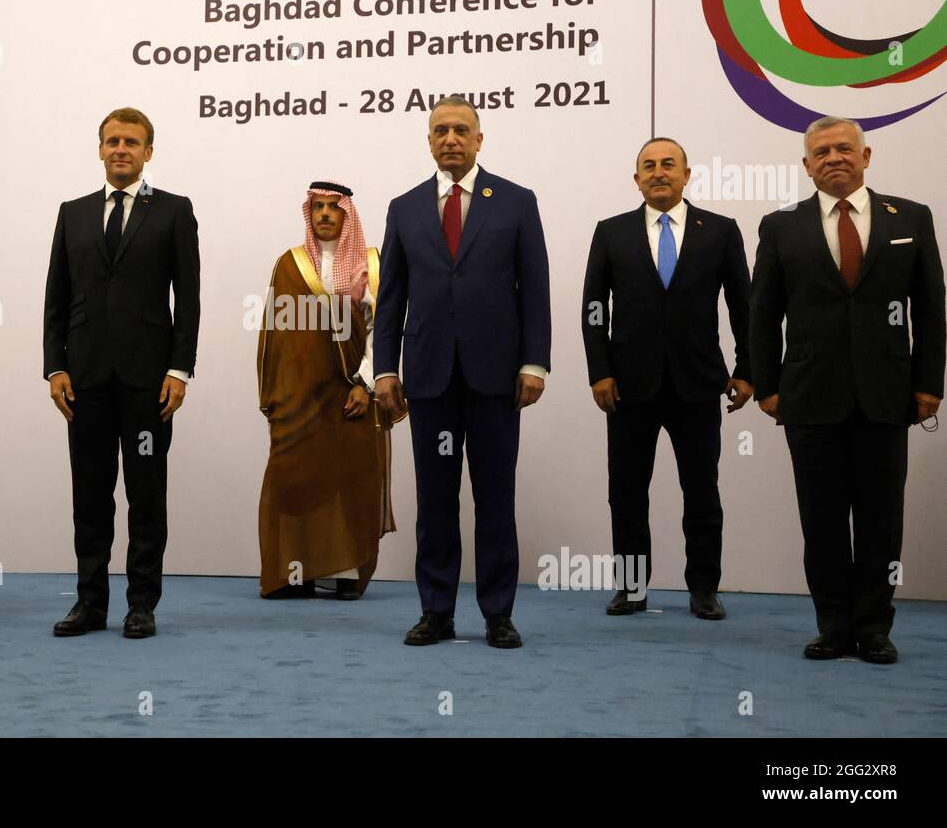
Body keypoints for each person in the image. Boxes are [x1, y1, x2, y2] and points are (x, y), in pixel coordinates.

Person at [750, 116, 944, 664]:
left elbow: (931, 308)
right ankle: (833, 625)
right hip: (808, 397)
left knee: (883, 520)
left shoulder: (910, 218)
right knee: (823, 519)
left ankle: (875, 627)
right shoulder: (780, 226)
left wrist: (929, 383)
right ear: (806, 166)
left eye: (843, 149)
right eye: (821, 152)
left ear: (866, 156)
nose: (833, 158)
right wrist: (767, 386)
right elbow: (762, 314)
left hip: (888, 394)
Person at [374, 95, 551, 648]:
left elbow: (535, 288)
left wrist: (534, 361)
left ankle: (498, 613)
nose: (450, 138)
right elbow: (391, 299)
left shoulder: (517, 202)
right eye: (440, 130)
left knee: (496, 497)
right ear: (429, 141)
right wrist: (384, 371)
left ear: (480, 139)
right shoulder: (404, 208)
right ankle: (437, 612)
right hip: (428, 378)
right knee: (435, 500)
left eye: (461, 130)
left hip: (497, 377)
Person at [44, 107, 200, 639]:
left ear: (149, 152)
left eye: (132, 142)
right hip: (83, 381)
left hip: (148, 382)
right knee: (89, 495)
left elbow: (190, 300)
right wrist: (55, 366)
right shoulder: (73, 213)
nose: (121, 149)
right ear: (100, 148)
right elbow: (56, 299)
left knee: (145, 493)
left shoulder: (175, 212)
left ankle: (141, 604)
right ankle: (89, 604)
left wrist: (180, 370)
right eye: (112, 141)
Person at [581, 138, 753, 620]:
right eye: (649, 166)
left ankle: (703, 589)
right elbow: (595, 310)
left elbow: (744, 307)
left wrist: (747, 369)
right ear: (636, 178)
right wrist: (600, 371)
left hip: (699, 384)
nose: (659, 172)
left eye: (668, 165)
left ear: (686, 174)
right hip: (628, 387)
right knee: (627, 492)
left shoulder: (719, 231)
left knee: (702, 491)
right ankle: (631, 588)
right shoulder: (610, 232)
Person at [256, 181, 397, 600]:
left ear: (347, 214)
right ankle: (294, 575)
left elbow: (381, 331)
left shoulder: (371, 264)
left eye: (333, 208)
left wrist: (365, 384)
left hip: (353, 394)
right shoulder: (291, 264)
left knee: (350, 480)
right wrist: (279, 395)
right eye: (317, 207)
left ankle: (346, 573)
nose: (324, 215)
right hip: (301, 397)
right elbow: (275, 334)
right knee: (297, 480)